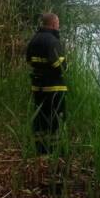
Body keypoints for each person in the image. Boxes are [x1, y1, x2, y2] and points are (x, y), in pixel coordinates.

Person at [26, 13, 67, 154]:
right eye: (58, 23)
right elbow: (60, 65)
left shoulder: (34, 39)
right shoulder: (53, 40)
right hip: (54, 87)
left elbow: (30, 61)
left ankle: (41, 150)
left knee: (40, 118)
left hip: (37, 87)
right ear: (54, 24)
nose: (59, 26)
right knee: (56, 118)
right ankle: (56, 152)